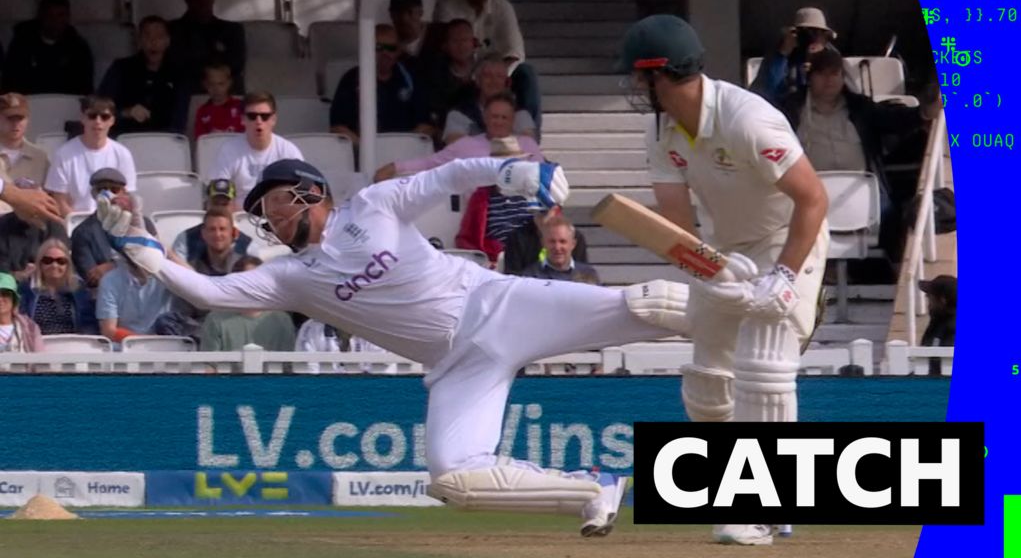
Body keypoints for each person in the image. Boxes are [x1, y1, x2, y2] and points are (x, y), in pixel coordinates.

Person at [96, 155, 756, 538]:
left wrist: (515, 170)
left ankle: (756, 309)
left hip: (499, 306)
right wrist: (145, 251)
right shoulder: (291, 277)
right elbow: (207, 295)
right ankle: (597, 486)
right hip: (457, 364)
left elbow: (449, 174)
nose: (264, 220)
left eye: (271, 204)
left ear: (309, 193)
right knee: (454, 477)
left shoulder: (373, 205)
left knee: (643, 305)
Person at [618, 14, 830, 546]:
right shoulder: (661, 130)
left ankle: (767, 504)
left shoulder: (746, 119)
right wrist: (711, 271)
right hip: (726, 251)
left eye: (638, 77)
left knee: (765, 368)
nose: (635, 88)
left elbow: (814, 198)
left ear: (657, 74)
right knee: (708, 382)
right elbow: (677, 227)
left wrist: (782, 274)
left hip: (790, 240)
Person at [782, 48, 939, 262]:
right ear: (809, 77)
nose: (829, 80)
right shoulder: (790, 109)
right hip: (809, 197)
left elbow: (894, 119)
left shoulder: (861, 107)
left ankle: (896, 277)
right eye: (822, 73)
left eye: (835, 73)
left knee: (895, 219)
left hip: (865, 197)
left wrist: (924, 112)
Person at [435, 0, 541, 129]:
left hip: (496, 71)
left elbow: (515, 52)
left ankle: (530, 136)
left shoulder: (503, 7)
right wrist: (474, 75)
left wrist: (496, 76)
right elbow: (445, 46)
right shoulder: (448, 5)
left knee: (527, 73)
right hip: (461, 73)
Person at [375, 92, 541, 182]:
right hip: (476, 214)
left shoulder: (527, 145)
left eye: (504, 118)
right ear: (485, 118)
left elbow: (543, 176)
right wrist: (394, 167)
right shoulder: (465, 145)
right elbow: (429, 163)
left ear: (512, 121)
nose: (498, 122)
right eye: (494, 116)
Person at [329, 25, 434, 144]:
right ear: (367, 48)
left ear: (399, 51)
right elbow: (338, 128)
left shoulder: (412, 79)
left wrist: (402, 146)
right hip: (362, 153)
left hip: (404, 153)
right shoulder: (350, 79)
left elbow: (425, 126)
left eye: (391, 48)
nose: (385, 53)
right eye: (379, 47)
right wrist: (365, 149)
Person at [44, 95, 138, 215]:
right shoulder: (63, 154)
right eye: (92, 116)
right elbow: (60, 201)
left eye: (104, 117)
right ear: (83, 118)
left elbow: (125, 196)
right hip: (75, 222)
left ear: (112, 121)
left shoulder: (123, 154)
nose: (98, 121)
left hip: (112, 221)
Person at [210, 91, 303, 208]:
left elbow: (300, 195)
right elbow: (220, 198)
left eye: (264, 116)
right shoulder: (228, 150)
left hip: (278, 217)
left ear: (273, 119)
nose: (258, 122)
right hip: (239, 218)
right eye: (252, 116)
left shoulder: (289, 152)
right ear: (243, 119)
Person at [454, 137, 538, 263]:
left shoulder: (536, 192)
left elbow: (552, 229)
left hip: (532, 255)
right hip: (495, 259)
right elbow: (467, 238)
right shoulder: (481, 197)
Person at [70, 168, 156, 290]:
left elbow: (152, 264)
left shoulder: (144, 224)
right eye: (101, 189)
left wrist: (113, 266)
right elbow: (92, 278)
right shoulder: (82, 232)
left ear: (124, 192)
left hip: (145, 293)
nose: (108, 194)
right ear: (93, 194)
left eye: (114, 189)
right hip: (106, 296)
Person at [99, 16, 186, 135]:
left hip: (165, 141)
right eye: (147, 36)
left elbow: (181, 117)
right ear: (139, 40)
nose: (153, 42)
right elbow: (99, 107)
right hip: (125, 138)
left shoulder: (178, 73)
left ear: (167, 41)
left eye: (159, 37)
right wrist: (126, 113)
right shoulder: (120, 68)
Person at [750, 7, 851, 109]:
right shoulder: (781, 58)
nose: (812, 39)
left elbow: (849, 96)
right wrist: (783, 54)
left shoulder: (835, 60)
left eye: (817, 33)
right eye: (806, 33)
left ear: (825, 38)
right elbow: (765, 94)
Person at [1, 0, 93, 96]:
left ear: (68, 17)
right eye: (50, 15)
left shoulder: (78, 48)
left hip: (65, 108)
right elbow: (9, 84)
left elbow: (84, 90)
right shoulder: (22, 44)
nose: (55, 21)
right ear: (41, 15)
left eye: (60, 15)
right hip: (28, 107)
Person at [167, 0, 246, 94]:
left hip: (224, 92)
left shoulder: (232, 30)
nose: (201, 1)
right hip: (185, 90)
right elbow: (175, 64)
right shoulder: (172, 29)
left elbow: (236, 64)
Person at [442, 54, 535, 145]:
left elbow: (528, 146)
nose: (494, 81)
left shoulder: (520, 115)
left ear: (507, 83)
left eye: (499, 76)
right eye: (487, 76)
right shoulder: (459, 114)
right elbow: (455, 147)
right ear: (477, 80)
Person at [18, 238, 98, 335]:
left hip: (73, 345)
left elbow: (89, 324)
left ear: (68, 265)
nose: (54, 265)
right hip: (36, 345)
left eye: (61, 261)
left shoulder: (78, 288)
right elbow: (20, 321)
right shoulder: (27, 288)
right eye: (48, 260)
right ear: (39, 263)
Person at [0, 181, 68, 281]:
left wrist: (41, 271)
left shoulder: (54, 225)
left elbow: (62, 260)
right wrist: (17, 276)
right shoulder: (3, 225)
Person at [172, 180, 253, 261]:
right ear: (206, 204)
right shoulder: (185, 239)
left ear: (234, 205)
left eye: (225, 204)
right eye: (215, 203)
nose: (220, 208)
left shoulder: (247, 243)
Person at [503, 207, 589, 276]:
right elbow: (512, 278)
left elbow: (582, 274)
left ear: (556, 209)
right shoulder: (517, 238)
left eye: (545, 212)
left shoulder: (574, 236)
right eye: (538, 212)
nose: (557, 247)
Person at [0, 93, 50, 209]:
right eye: (10, 118)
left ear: (27, 120)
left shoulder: (40, 157)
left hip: (28, 222)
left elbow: (50, 196)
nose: (15, 124)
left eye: (20, 118)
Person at [521, 216, 599, 284]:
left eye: (563, 241)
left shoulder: (588, 274)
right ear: (543, 243)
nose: (557, 247)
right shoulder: (530, 276)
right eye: (552, 241)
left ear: (573, 244)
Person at [193, 62, 244, 139]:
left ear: (229, 83)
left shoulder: (241, 106)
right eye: (211, 84)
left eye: (221, 84)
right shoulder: (202, 111)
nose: (216, 89)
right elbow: (200, 140)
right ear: (205, 85)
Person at [919, 275, 955, 376]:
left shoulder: (952, 328)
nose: (928, 301)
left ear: (942, 300)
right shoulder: (938, 321)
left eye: (929, 296)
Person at [0, 272, 45, 353]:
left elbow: (40, 359)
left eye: (5, 294)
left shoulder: (30, 327)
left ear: (14, 299)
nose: (0, 299)